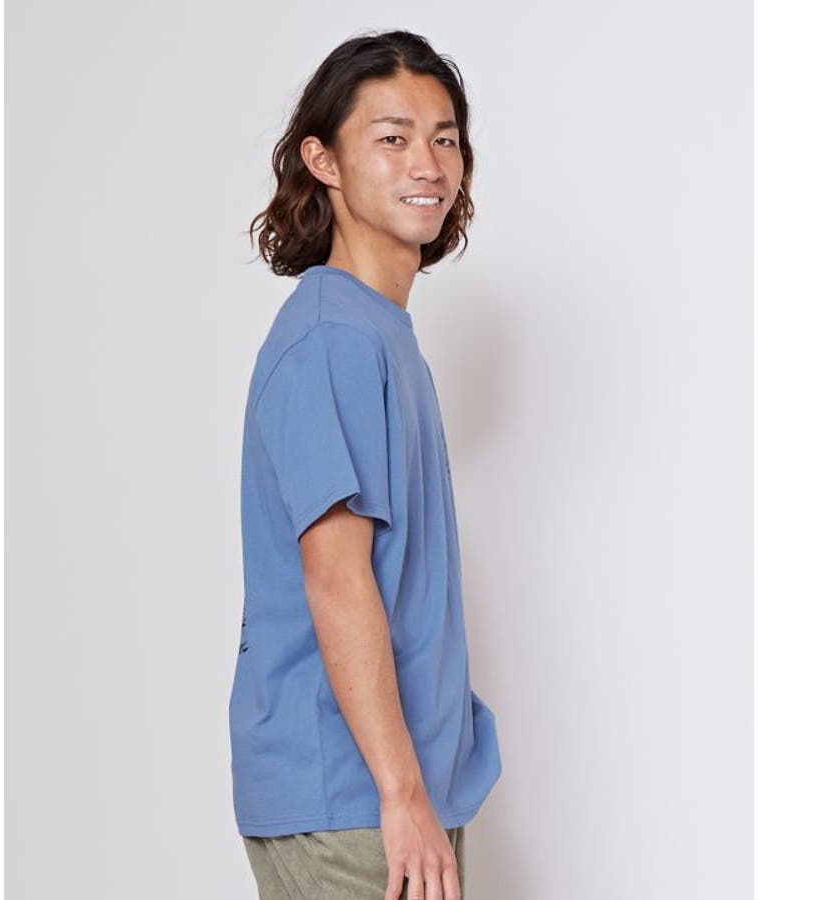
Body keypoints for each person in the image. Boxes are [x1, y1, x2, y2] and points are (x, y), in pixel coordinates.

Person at [228, 28, 503, 900]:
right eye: (392, 138)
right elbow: (337, 577)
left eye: (444, 138)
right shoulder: (333, 341)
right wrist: (401, 793)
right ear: (324, 161)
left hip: (398, 787)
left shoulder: (377, 332)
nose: (428, 163)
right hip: (356, 797)